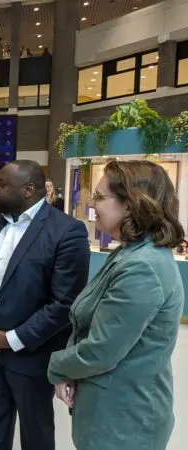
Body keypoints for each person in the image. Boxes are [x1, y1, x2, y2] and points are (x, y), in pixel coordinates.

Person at [48, 160, 184, 450]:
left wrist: (57, 366)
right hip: (112, 413)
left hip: (124, 422)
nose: (92, 205)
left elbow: (101, 350)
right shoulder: (131, 254)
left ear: (130, 204)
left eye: (99, 197)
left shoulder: (141, 267)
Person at [0, 160, 90, 450]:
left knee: (36, 433)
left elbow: (64, 303)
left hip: (30, 356)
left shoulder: (67, 232)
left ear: (29, 190)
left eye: (2, 184)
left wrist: (12, 339)